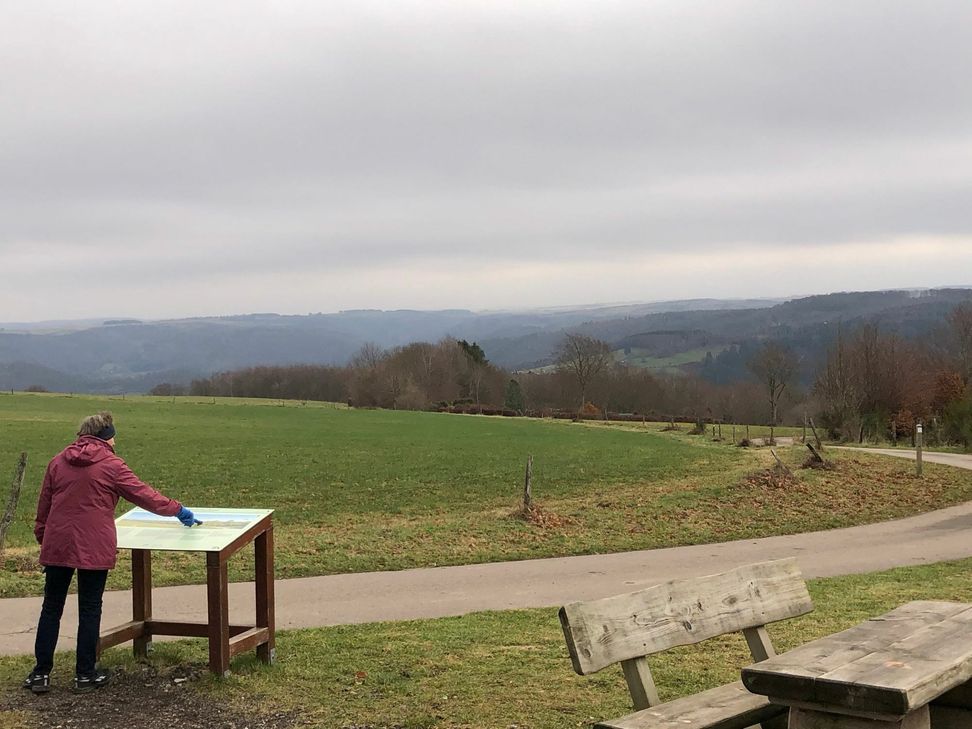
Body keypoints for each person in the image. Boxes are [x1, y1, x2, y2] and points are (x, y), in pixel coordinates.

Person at [23, 411, 201, 694]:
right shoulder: (112, 465)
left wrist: (45, 542)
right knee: (90, 608)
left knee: (51, 607)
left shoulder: (57, 462)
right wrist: (177, 509)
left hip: (58, 543)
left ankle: (40, 673)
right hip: (94, 545)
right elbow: (144, 495)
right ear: (108, 437)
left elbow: (43, 509)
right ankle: (84, 674)